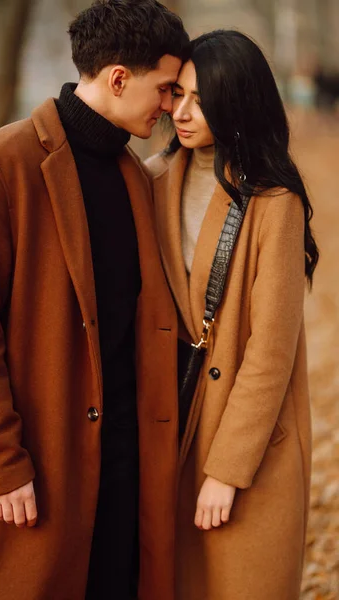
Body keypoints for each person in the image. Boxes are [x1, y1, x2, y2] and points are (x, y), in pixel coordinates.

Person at [0, 2, 189, 599]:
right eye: (165, 89)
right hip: (40, 467)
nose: (168, 107)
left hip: (124, 468)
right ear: (119, 79)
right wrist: (3, 465)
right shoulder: (2, 165)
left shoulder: (133, 175)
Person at [146, 30, 318, 600]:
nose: (183, 112)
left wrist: (226, 470)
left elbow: (271, 352)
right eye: (180, 94)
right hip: (172, 426)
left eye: (203, 100)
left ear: (238, 102)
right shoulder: (153, 179)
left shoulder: (275, 201)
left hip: (246, 444)